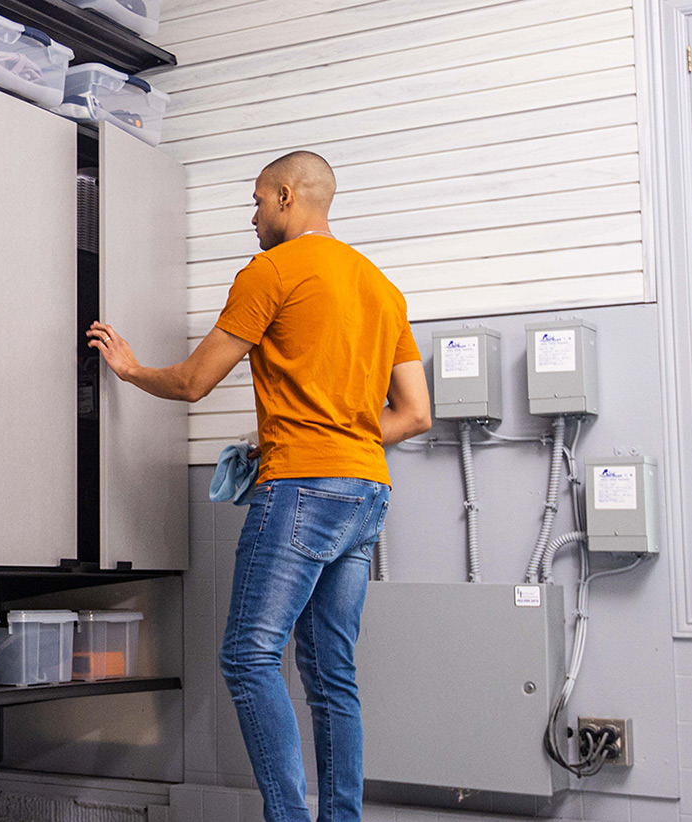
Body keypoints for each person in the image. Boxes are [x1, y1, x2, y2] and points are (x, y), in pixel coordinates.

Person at [85, 150, 431, 822]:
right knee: (331, 675)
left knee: (248, 656)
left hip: (302, 489)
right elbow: (415, 414)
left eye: (256, 201)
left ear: (285, 196)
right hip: (366, 493)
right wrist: (335, 439)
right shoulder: (381, 286)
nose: (252, 216)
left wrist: (129, 370)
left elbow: (194, 381)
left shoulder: (271, 271)